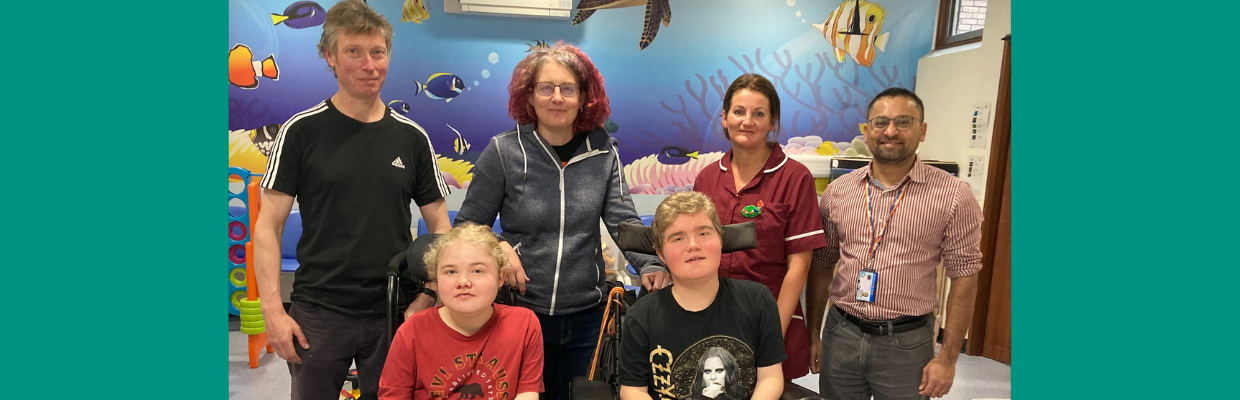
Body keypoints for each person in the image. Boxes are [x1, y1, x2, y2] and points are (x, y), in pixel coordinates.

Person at [252, 1, 452, 399]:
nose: (369, 64)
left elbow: (440, 228)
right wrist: (274, 313)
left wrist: (429, 294)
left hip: (394, 309)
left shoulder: (412, 138)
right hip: (318, 311)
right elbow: (268, 226)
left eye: (378, 52)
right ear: (330, 56)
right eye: (354, 52)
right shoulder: (300, 132)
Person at [453, 41, 670, 400]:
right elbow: (466, 226)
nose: (557, 97)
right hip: (520, 314)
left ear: (584, 97)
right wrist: (499, 246)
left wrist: (649, 263)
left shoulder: (603, 151)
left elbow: (622, 220)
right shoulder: (504, 151)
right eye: (546, 87)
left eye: (567, 88)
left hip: (588, 317)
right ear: (530, 95)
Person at [806, 87, 983, 400]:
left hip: (907, 343)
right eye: (880, 122)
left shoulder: (954, 195)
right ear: (866, 130)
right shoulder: (838, 192)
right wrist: (813, 334)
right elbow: (822, 265)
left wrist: (948, 358)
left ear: (922, 130)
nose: (890, 131)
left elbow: (965, 277)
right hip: (841, 334)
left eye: (904, 122)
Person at [692, 73, 827, 380]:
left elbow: (799, 266)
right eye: (739, 112)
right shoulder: (707, 179)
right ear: (725, 119)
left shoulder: (795, 178)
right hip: (709, 317)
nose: (747, 121)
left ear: (772, 122)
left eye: (759, 113)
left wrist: (770, 335)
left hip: (769, 318)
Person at [618, 192, 784, 400]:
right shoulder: (642, 316)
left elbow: (770, 377)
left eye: (704, 234)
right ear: (660, 254)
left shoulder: (757, 301)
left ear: (721, 240)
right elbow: (633, 390)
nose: (693, 245)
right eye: (678, 238)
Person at [379, 223, 544, 400]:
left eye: (477, 270)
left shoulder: (525, 325)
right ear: (436, 281)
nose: (463, 281)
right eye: (450, 271)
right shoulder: (411, 332)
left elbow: (527, 394)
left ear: (501, 277)